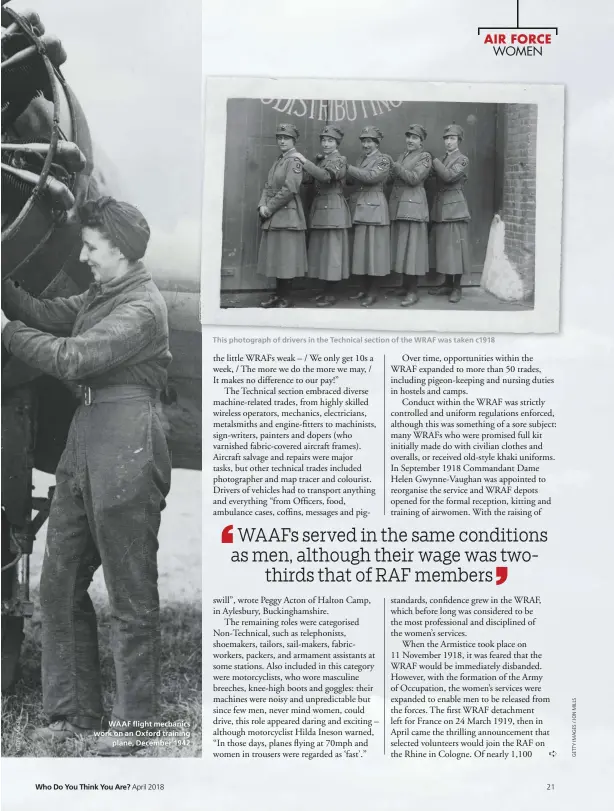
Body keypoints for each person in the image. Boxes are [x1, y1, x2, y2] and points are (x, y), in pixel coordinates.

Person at [1, 197, 172, 757]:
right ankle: (74, 713)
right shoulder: (105, 293)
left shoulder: (142, 307)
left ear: (118, 250)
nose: (83, 256)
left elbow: (73, 357)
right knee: (59, 581)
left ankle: (134, 725)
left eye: (91, 248)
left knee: (129, 592)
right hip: (87, 431)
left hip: (128, 435)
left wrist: (3, 330)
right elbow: (47, 314)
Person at [294, 125, 351, 307]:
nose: (326, 144)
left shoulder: (340, 160)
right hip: (320, 209)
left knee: (332, 253)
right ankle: (325, 290)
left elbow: (326, 177)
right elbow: (308, 179)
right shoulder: (321, 160)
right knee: (322, 252)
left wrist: (304, 161)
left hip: (333, 209)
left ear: (337, 143)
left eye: (330, 141)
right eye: (324, 140)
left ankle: (332, 293)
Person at [257, 122, 308, 308]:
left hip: (287, 216)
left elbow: (290, 189)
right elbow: (268, 186)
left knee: (286, 258)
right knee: (277, 258)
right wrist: (262, 204)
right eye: (279, 137)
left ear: (293, 140)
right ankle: (278, 295)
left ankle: (285, 297)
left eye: (286, 138)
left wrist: (269, 208)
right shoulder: (279, 160)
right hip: (274, 215)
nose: (282, 141)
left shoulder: (294, 161)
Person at [345, 126, 392, 307]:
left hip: (374, 207)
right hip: (362, 207)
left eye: (369, 141)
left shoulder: (383, 159)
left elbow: (371, 177)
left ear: (376, 143)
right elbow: (353, 179)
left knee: (374, 252)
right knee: (363, 251)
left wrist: (348, 167)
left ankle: (373, 291)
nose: (365, 144)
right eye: (363, 141)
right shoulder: (361, 159)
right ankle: (364, 289)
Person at [388, 124, 432, 306]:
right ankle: (405, 286)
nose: (410, 140)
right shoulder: (403, 155)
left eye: (414, 137)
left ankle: (413, 291)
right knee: (404, 248)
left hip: (413, 208)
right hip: (401, 207)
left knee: (412, 250)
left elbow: (414, 178)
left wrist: (395, 166)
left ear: (421, 141)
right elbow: (395, 176)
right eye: (408, 137)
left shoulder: (425, 157)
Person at [428, 123, 471, 303]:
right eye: (446, 138)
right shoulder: (443, 159)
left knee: (456, 248)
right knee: (445, 248)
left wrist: (434, 161)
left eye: (452, 138)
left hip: (454, 208)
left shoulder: (462, 159)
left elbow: (448, 176)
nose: (448, 142)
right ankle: (446, 283)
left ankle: (457, 287)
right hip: (441, 207)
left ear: (459, 140)